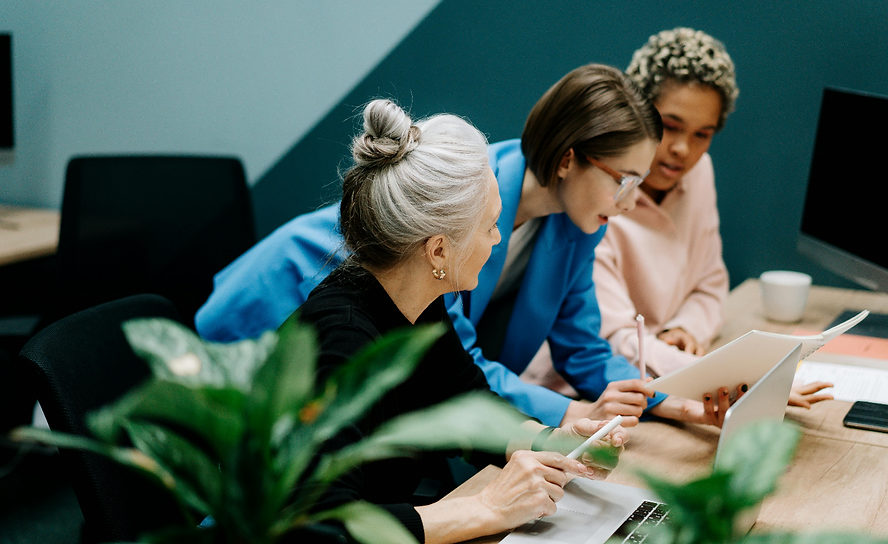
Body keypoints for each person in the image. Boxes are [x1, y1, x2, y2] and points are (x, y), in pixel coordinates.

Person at [197, 63, 725, 428]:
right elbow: (460, 359)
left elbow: (582, 348)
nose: (632, 202)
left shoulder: (578, 222)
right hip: (284, 298)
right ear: (569, 160)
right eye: (625, 181)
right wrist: (569, 416)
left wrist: (673, 399)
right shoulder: (469, 206)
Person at [301, 98, 628, 543]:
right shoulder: (341, 341)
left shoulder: (418, 302)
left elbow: (467, 404)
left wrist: (552, 442)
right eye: (490, 225)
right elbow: (318, 526)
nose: (498, 238)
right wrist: (485, 508)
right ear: (438, 251)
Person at [522, 28, 832, 410]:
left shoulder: (699, 175)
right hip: (576, 391)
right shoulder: (593, 199)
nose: (683, 150)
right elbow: (609, 341)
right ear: (637, 114)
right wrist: (728, 377)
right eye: (670, 127)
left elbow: (710, 282)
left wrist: (684, 328)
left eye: (703, 134)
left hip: (656, 379)